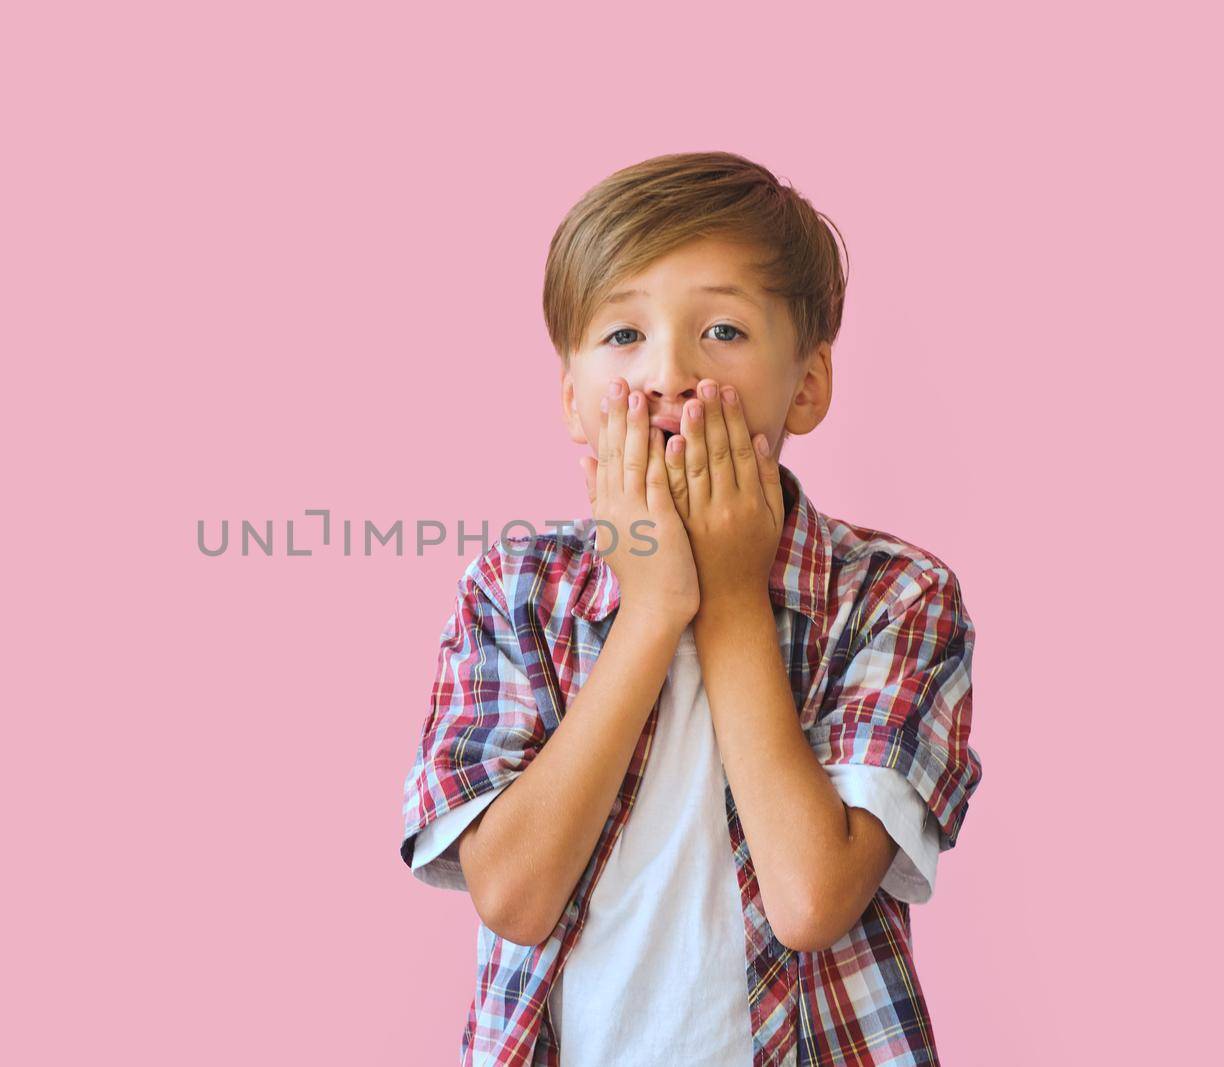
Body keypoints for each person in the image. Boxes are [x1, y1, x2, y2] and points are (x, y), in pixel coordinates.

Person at [398, 151, 983, 1066]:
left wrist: (732, 597)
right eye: (623, 336)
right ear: (571, 398)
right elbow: (512, 894)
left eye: (721, 329)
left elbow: (812, 900)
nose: (668, 373)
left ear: (810, 383)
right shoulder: (513, 592)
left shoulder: (895, 594)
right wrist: (653, 604)